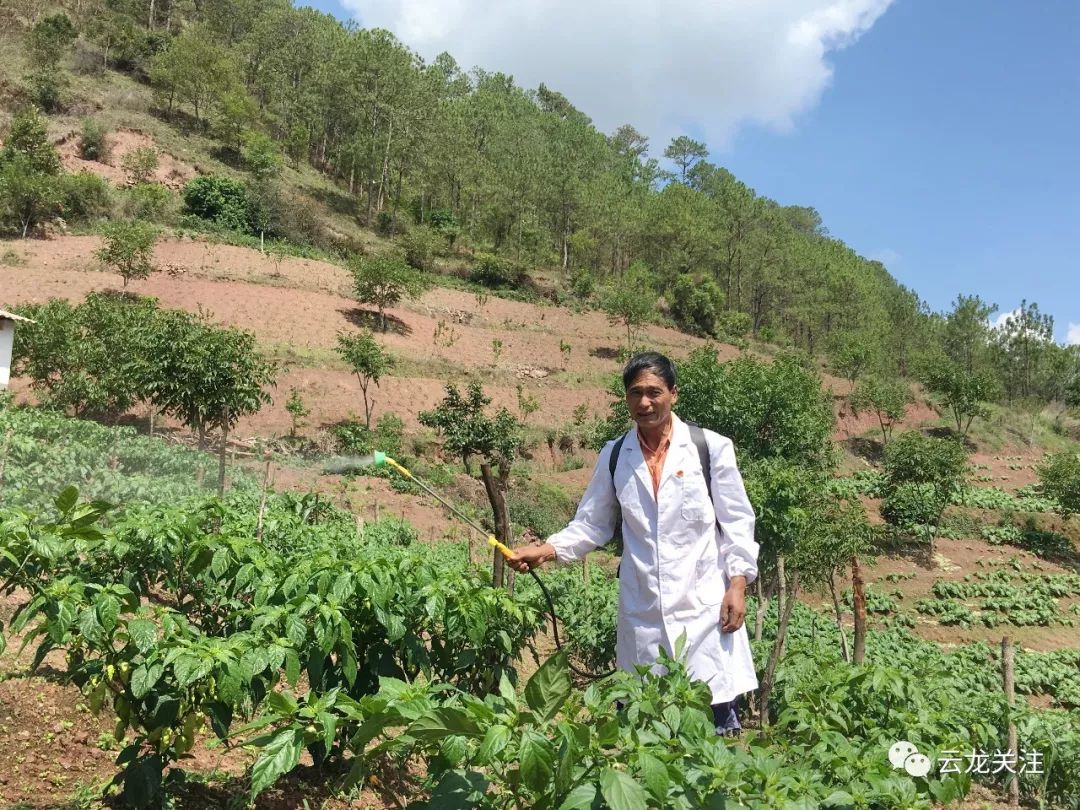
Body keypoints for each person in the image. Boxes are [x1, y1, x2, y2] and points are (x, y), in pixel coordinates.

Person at [508, 351, 759, 735]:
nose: (644, 402)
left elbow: (738, 522)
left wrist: (738, 585)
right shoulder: (615, 456)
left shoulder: (710, 448)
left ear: (674, 393)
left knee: (708, 738)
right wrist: (546, 550)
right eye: (635, 393)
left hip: (705, 614)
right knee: (645, 737)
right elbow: (592, 523)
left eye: (654, 392)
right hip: (643, 615)